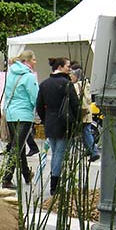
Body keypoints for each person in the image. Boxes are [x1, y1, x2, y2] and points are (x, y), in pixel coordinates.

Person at [36, 57, 80, 196]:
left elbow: (39, 106)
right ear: (60, 67)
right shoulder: (66, 84)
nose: (69, 68)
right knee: (59, 154)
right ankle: (55, 185)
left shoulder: (44, 84)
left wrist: (45, 119)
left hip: (50, 122)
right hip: (63, 123)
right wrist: (77, 122)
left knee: (56, 152)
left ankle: (55, 182)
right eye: (67, 66)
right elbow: (75, 105)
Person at [0, 50, 40, 189]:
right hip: (24, 114)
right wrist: (39, 115)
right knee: (16, 147)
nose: (35, 62)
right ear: (26, 61)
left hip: (11, 114)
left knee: (19, 146)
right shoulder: (29, 77)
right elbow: (35, 97)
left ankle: (26, 174)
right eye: (34, 59)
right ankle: (7, 178)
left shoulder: (11, 73)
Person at [70, 67, 99, 162]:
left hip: (81, 112)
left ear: (76, 76)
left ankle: (94, 152)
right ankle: (90, 151)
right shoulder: (87, 84)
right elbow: (89, 99)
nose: (71, 77)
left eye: (72, 75)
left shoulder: (77, 86)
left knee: (84, 133)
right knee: (85, 132)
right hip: (87, 111)